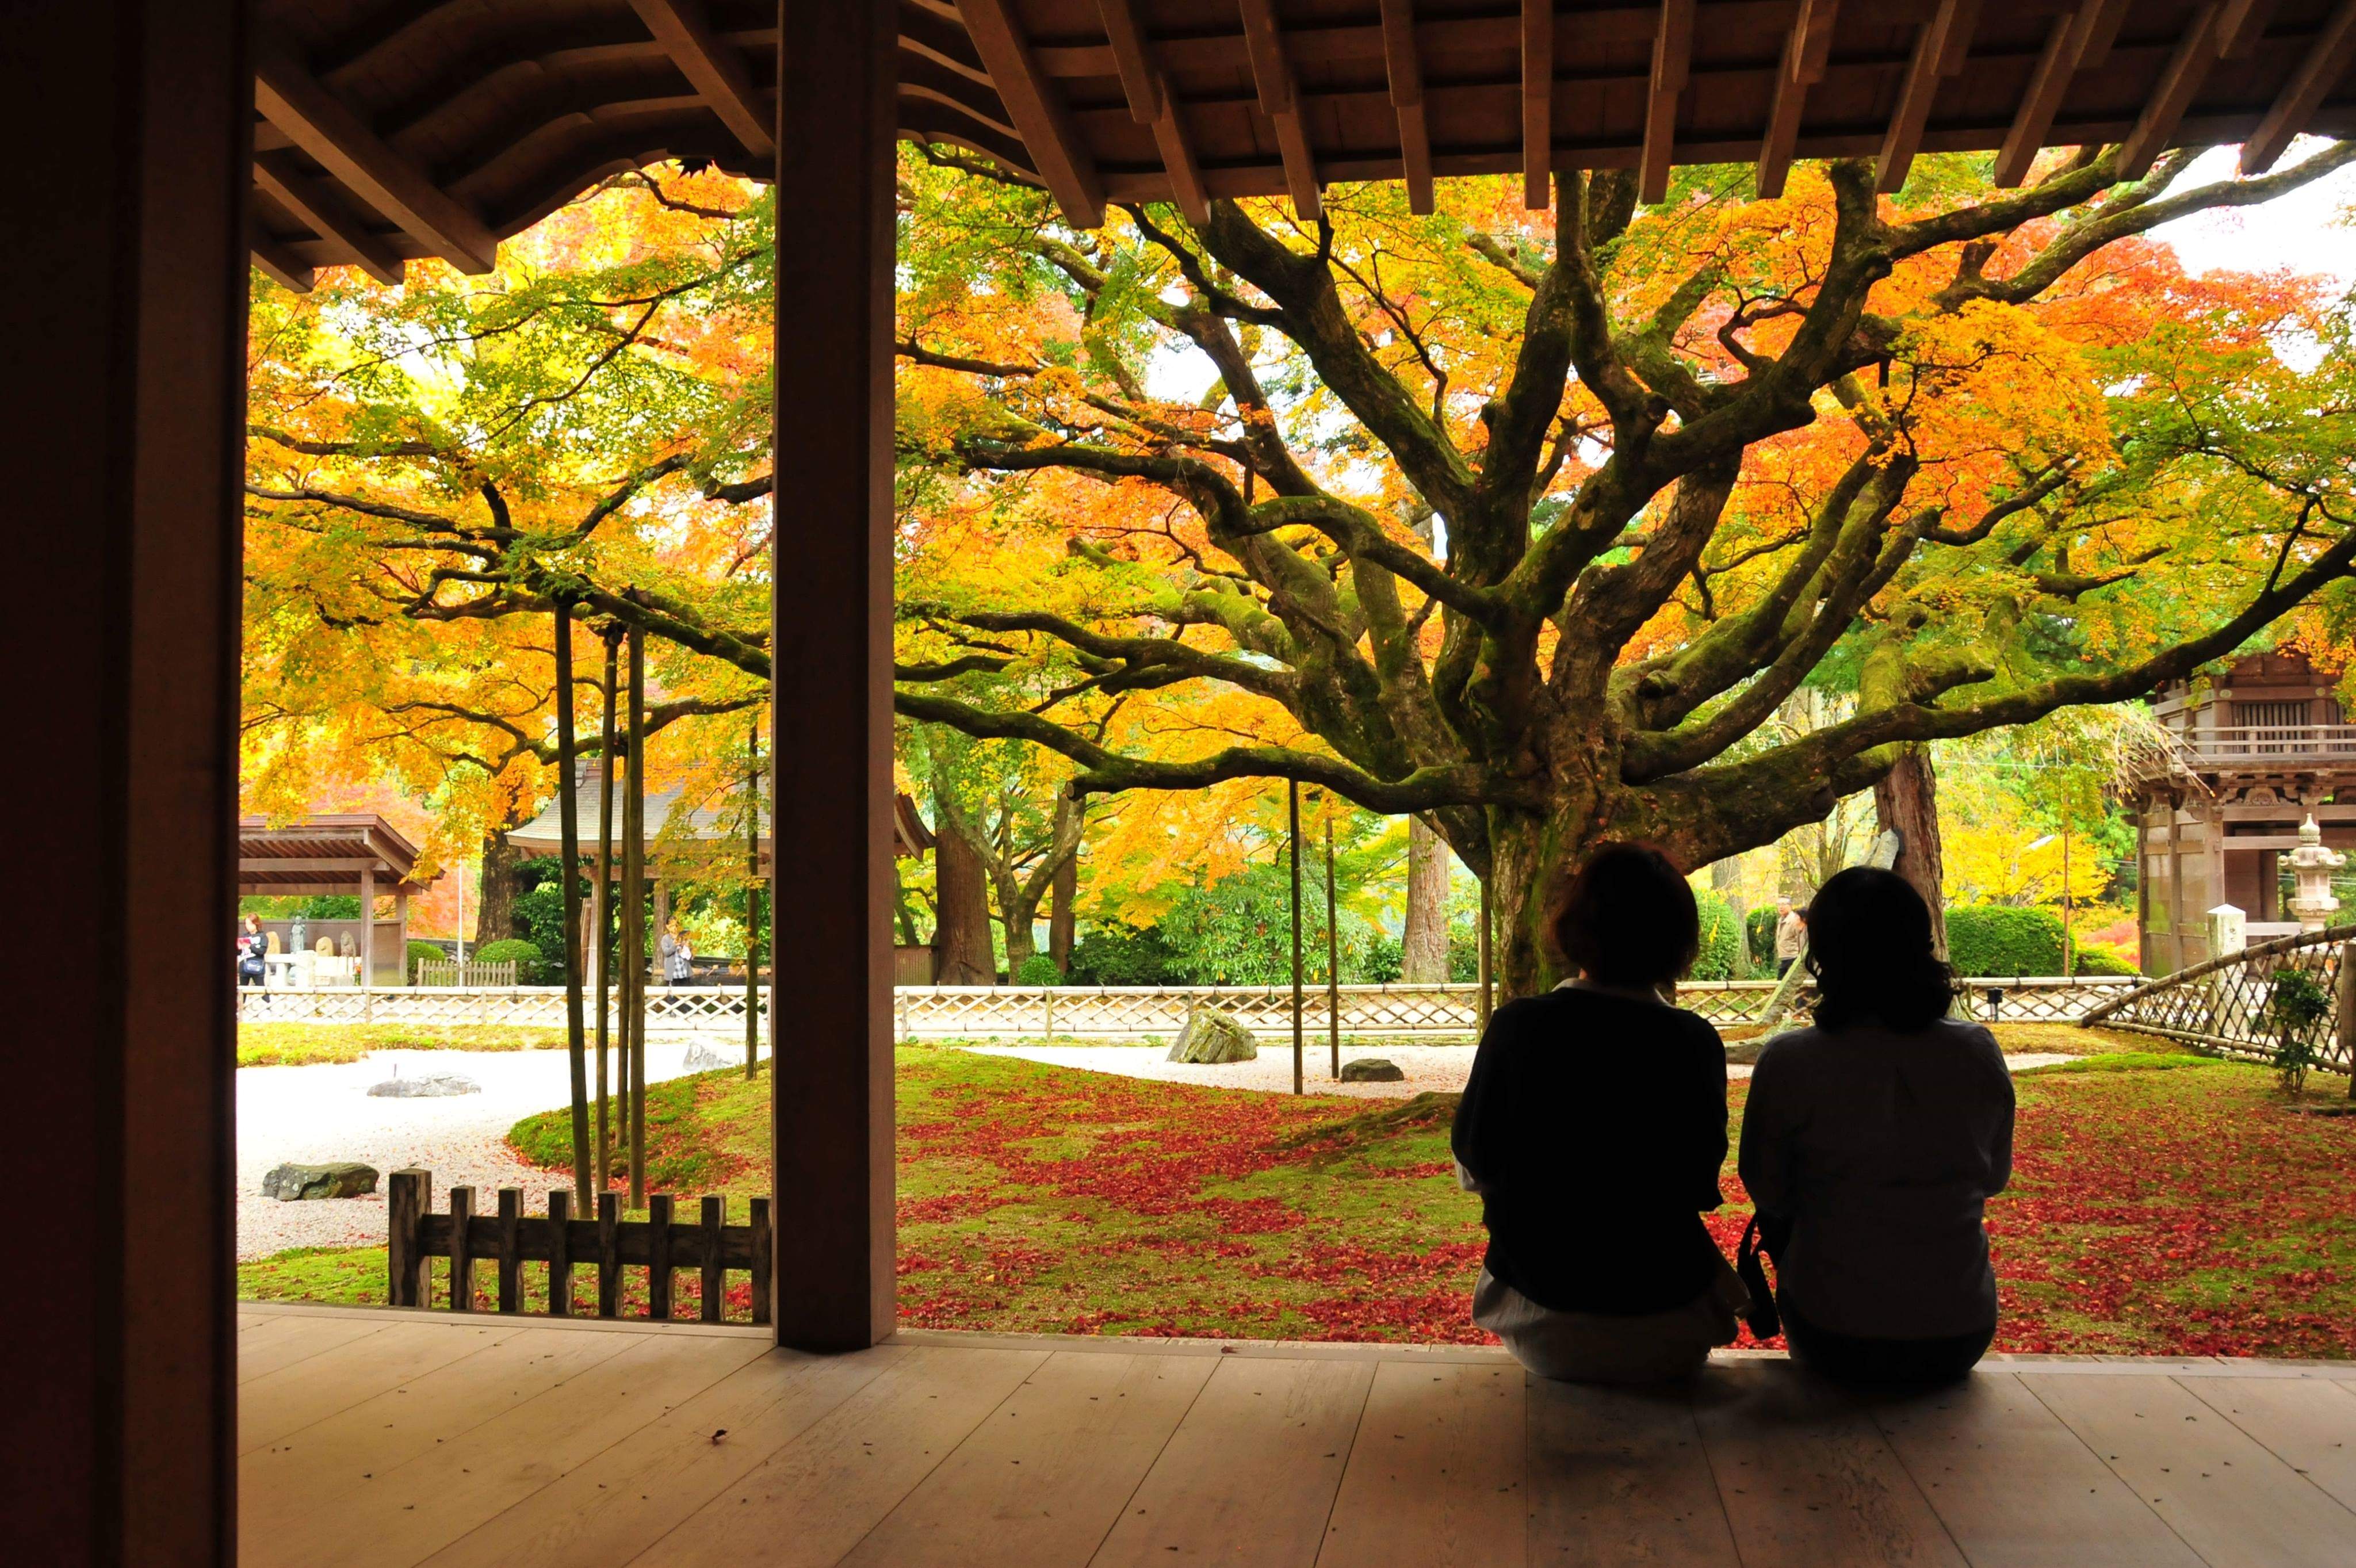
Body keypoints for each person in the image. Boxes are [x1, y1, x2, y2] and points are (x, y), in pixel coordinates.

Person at [1451, 843, 1745, 1383]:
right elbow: (1699, 1183)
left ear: (1574, 927)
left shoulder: (1520, 1027)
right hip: (1670, 1322)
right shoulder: (1693, 1041)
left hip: (1542, 1320)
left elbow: (1476, 1164)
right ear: (1680, 942)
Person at [1739, 866, 2014, 1387]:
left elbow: (1766, 1187)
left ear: (1822, 957)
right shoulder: (1975, 1050)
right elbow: (1994, 1178)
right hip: (1958, 1329)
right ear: (1921, 945)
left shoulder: (1792, 1061)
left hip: (1832, 1329)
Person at [1774, 896, 1806, 978]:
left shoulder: (1795, 920)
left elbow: (1801, 938)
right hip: (1784, 957)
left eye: (1784, 904)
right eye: (1779, 904)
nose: (1781, 907)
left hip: (1793, 957)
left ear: (1790, 906)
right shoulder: (1781, 920)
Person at [236, 915, 267, 988]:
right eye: (246, 924)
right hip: (244, 965)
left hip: (257, 965)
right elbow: (240, 952)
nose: (248, 926)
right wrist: (239, 948)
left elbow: (262, 951)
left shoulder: (263, 936)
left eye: (250, 924)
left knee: (261, 989)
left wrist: (250, 946)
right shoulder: (245, 936)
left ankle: (267, 999)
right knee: (242, 990)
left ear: (256, 924)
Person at [661, 920, 693, 986]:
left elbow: (691, 955)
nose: (675, 928)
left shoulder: (684, 937)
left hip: (684, 972)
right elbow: (666, 953)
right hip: (673, 974)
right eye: (672, 926)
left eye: (676, 925)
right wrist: (674, 945)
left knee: (685, 994)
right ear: (667, 926)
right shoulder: (665, 939)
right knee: (673, 995)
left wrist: (687, 947)